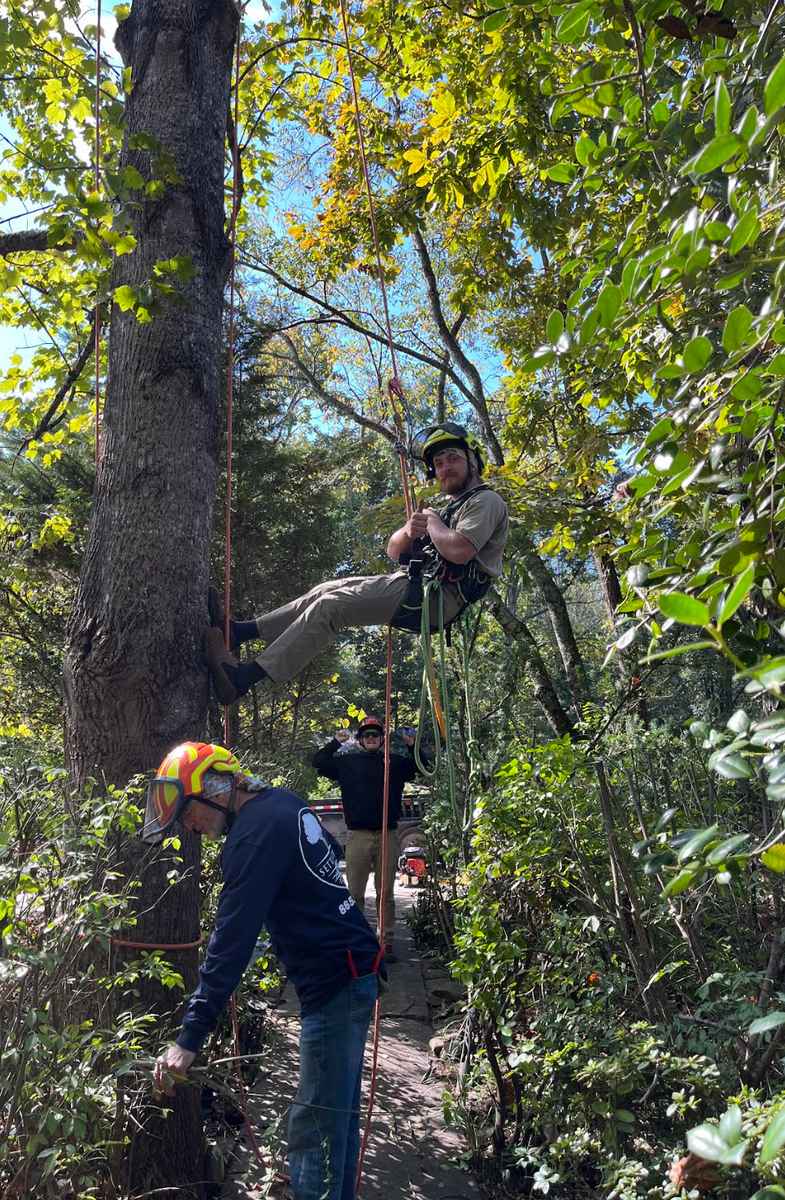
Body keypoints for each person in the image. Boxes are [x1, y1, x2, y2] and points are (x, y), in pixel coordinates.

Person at [147, 741, 385, 1200]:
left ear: (217, 789)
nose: (189, 825)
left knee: (314, 1128)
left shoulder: (252, 837)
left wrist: (188, 1040)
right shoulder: (283, 802)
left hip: (335, 981)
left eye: (188, 811)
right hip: (356, 970)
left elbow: (229, 946)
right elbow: (327, 855)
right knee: (338, 1120)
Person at [207, 423, 509, 705]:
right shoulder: (448, 508)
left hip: (439, 598)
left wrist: (431, 522)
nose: (445, 469)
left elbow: (460, 551)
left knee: (332, 606)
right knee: (326, 590)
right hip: (415, 584)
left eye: (452, 459)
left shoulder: (486, 501)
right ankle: (239, 632)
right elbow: (394, 550)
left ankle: (242, 679)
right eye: (439, 464)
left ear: (473, 461)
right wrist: (409, 529)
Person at [312, 715, 427, 963]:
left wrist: (410, 744)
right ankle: (355, 943)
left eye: (376, 734)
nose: (372, 738)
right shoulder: (347, 762)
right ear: (361, 739)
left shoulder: (394, 763)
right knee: (355, 893)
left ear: (382, 738)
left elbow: (423, 766)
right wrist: (336, 742)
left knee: (385, 894)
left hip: (388, 833)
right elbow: (319, 763)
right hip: (358, 835)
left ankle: (385, 944)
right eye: (367, 735)